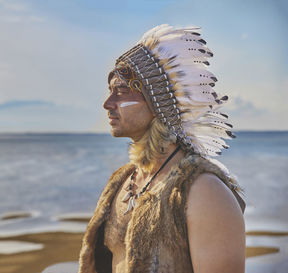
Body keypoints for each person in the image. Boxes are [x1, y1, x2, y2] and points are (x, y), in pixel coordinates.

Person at [78, 24, 246, 273]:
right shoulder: (123, 181)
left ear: (158, 102)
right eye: (110, 92)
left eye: (121, 92)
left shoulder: (204, 192)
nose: (107, 104)